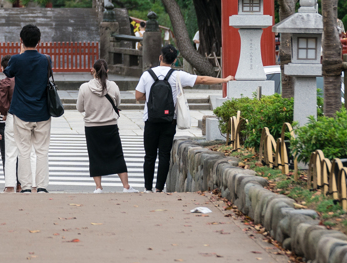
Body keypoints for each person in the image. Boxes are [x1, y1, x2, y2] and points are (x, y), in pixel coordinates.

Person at [135, 45, 234, 193]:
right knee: (164, 155)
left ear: (160, 57)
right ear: (175, 60)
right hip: (169, 120)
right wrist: (224, 79)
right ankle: (159, 189)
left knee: (149, 156)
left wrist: (151, 99)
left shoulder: (147, 75)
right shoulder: (178, 75)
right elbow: (202, 79)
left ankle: (147, 189)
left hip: (150, 120)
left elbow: (138, 96)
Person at [77, 59, 139, 193]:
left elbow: (79, 108)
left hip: (92, 126)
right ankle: (126, 186)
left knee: (95, 156)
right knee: (117, 155)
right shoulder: (113, 86)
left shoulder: (84, 87)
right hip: (110, 125)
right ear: (107, 71)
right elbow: (117, 103)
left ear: (92, 71)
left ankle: (98, 187)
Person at [3, 24, 52, 193]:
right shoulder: (46, 59)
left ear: (21, 40)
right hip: (42, 110)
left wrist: (20, 52)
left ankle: (25, 186)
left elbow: (8, 73)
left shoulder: (16, 59)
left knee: (23, 151)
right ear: (39, 41)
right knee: (42, 151)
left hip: (21, 110)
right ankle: (42, 186)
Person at [0, 55, 20, 193]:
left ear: (2, 68)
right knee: (22, 153)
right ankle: (21, 184)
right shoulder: (21, 81)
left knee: (7, 154)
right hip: (21, 119)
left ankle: (9, 184)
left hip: (4, 122)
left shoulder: (2, 83)